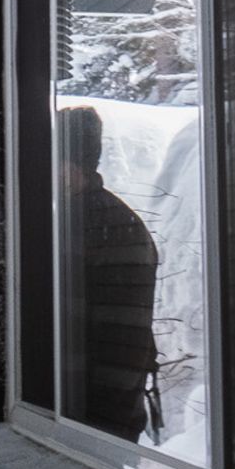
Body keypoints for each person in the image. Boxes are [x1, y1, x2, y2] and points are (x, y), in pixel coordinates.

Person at [58, 105, 160, 442]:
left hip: (96, 422)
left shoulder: (102, 226)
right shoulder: (89, 220)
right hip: (88, 416)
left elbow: (125, 337)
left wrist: (100, 429)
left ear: (68, 168)